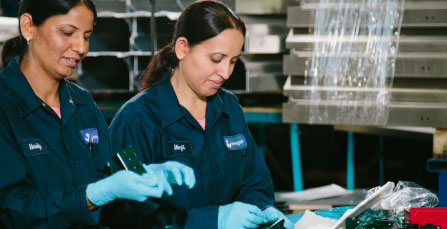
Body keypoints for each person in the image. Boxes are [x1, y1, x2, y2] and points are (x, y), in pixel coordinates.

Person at [0, 0, 194, 228]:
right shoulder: (5, 104)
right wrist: (95, 194)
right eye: (68, 32)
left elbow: (111, 169)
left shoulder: (82, 102)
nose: (81, 48)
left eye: (86, 36)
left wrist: (145, 174)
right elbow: (13, 208)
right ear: (28, 27)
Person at [109, 1, 294, 228]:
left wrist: (261, 211)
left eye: (233, 61)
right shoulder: (137, 120)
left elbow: (254, 181)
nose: (225, 72)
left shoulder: (229, 107)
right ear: (182, 48)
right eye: (216, 59)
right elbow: (128, 216)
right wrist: (211, 220)